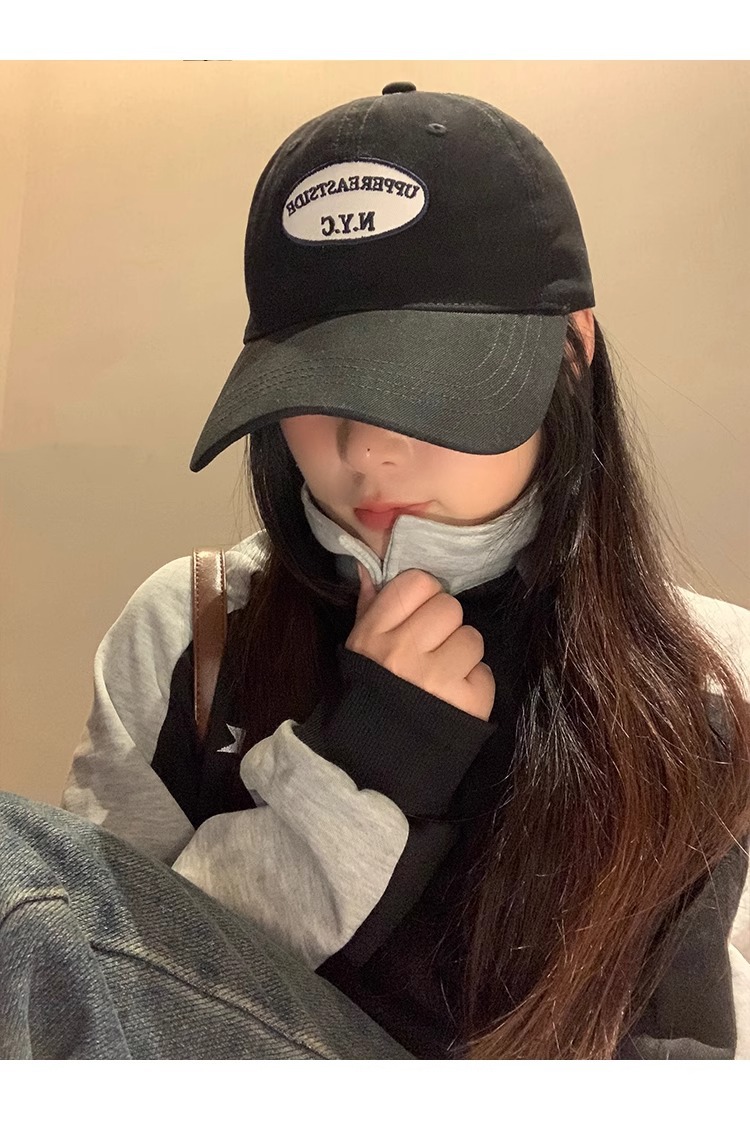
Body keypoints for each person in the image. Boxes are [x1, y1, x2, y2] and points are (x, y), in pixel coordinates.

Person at [2, 82, 749, 1060]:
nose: (365, 449)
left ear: (571, 350)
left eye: (430, 380)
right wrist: (356, 781)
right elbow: (103, 1002)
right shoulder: (190, 629)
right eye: (318, 386)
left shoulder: (707, 687)